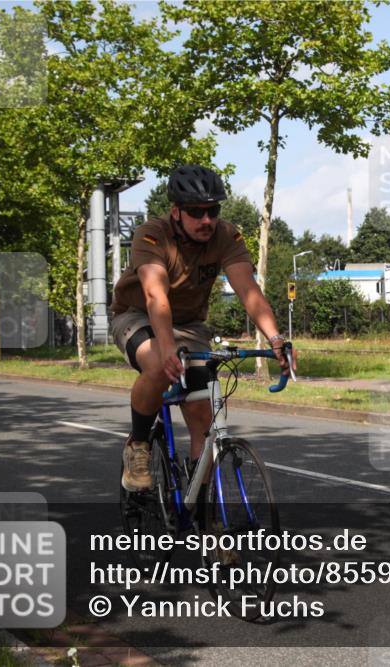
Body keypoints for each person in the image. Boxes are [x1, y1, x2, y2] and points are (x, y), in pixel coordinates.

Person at [110, 164, 291, 492]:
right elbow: (155, 293)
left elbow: (248, 291)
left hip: (190, 324)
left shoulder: (226, 235)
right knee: (156, 364)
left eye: (213, 210)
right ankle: (138, 445)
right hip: (137, 315)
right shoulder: (151, 234)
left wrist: (276, 338)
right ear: (176, 212)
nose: (206, 220)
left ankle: (204, 521)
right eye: (196, 212)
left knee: (202, 419)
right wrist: (165, 348)